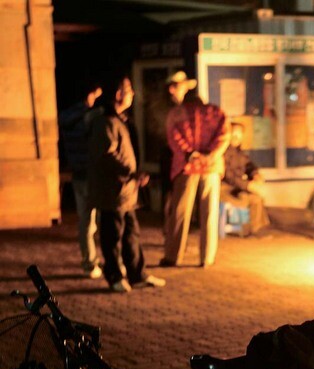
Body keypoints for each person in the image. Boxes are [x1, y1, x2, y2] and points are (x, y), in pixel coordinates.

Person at [88, 75, 165, 293]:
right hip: (113, 192)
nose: (132, 93)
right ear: (118, 94)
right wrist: (131, 172)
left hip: (126, 192)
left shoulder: (121, 120)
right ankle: (114, 276)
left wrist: (135, 175)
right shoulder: (106, 122)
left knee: (132, 233)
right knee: (112, 236)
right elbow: (107, 155)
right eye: (128, 89)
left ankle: (136, 273)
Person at [161, 71, 230, 268]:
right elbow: (224, 136)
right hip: (210, 169)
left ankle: (173, 256)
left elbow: (173, 137)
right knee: (209, 214)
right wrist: (210, 155)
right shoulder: (216, 112)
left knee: (180, 214)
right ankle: (206, 258)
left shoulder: (177, 113)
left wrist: (190, 154)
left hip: (186, 168)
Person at [58, 82, 104, 279]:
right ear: (91, 93)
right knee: (100, 220)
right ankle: (101, 261)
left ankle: (88, 262)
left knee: (85, 220)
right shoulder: (92, 116)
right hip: (93, 174)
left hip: (77, 173)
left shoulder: (65, 116)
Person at [221, 122, 271, 236]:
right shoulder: (223, 151)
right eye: (234, 132)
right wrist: (247, 186)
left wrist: (255, 174)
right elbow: (228, 176)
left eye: (239, 133)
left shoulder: (240, 152)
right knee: (247, 198)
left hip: (237, 187)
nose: (236, 136)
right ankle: (250, 230)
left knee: (257, 198)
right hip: (225, 189)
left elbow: (249, 165)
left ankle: (257, 229)